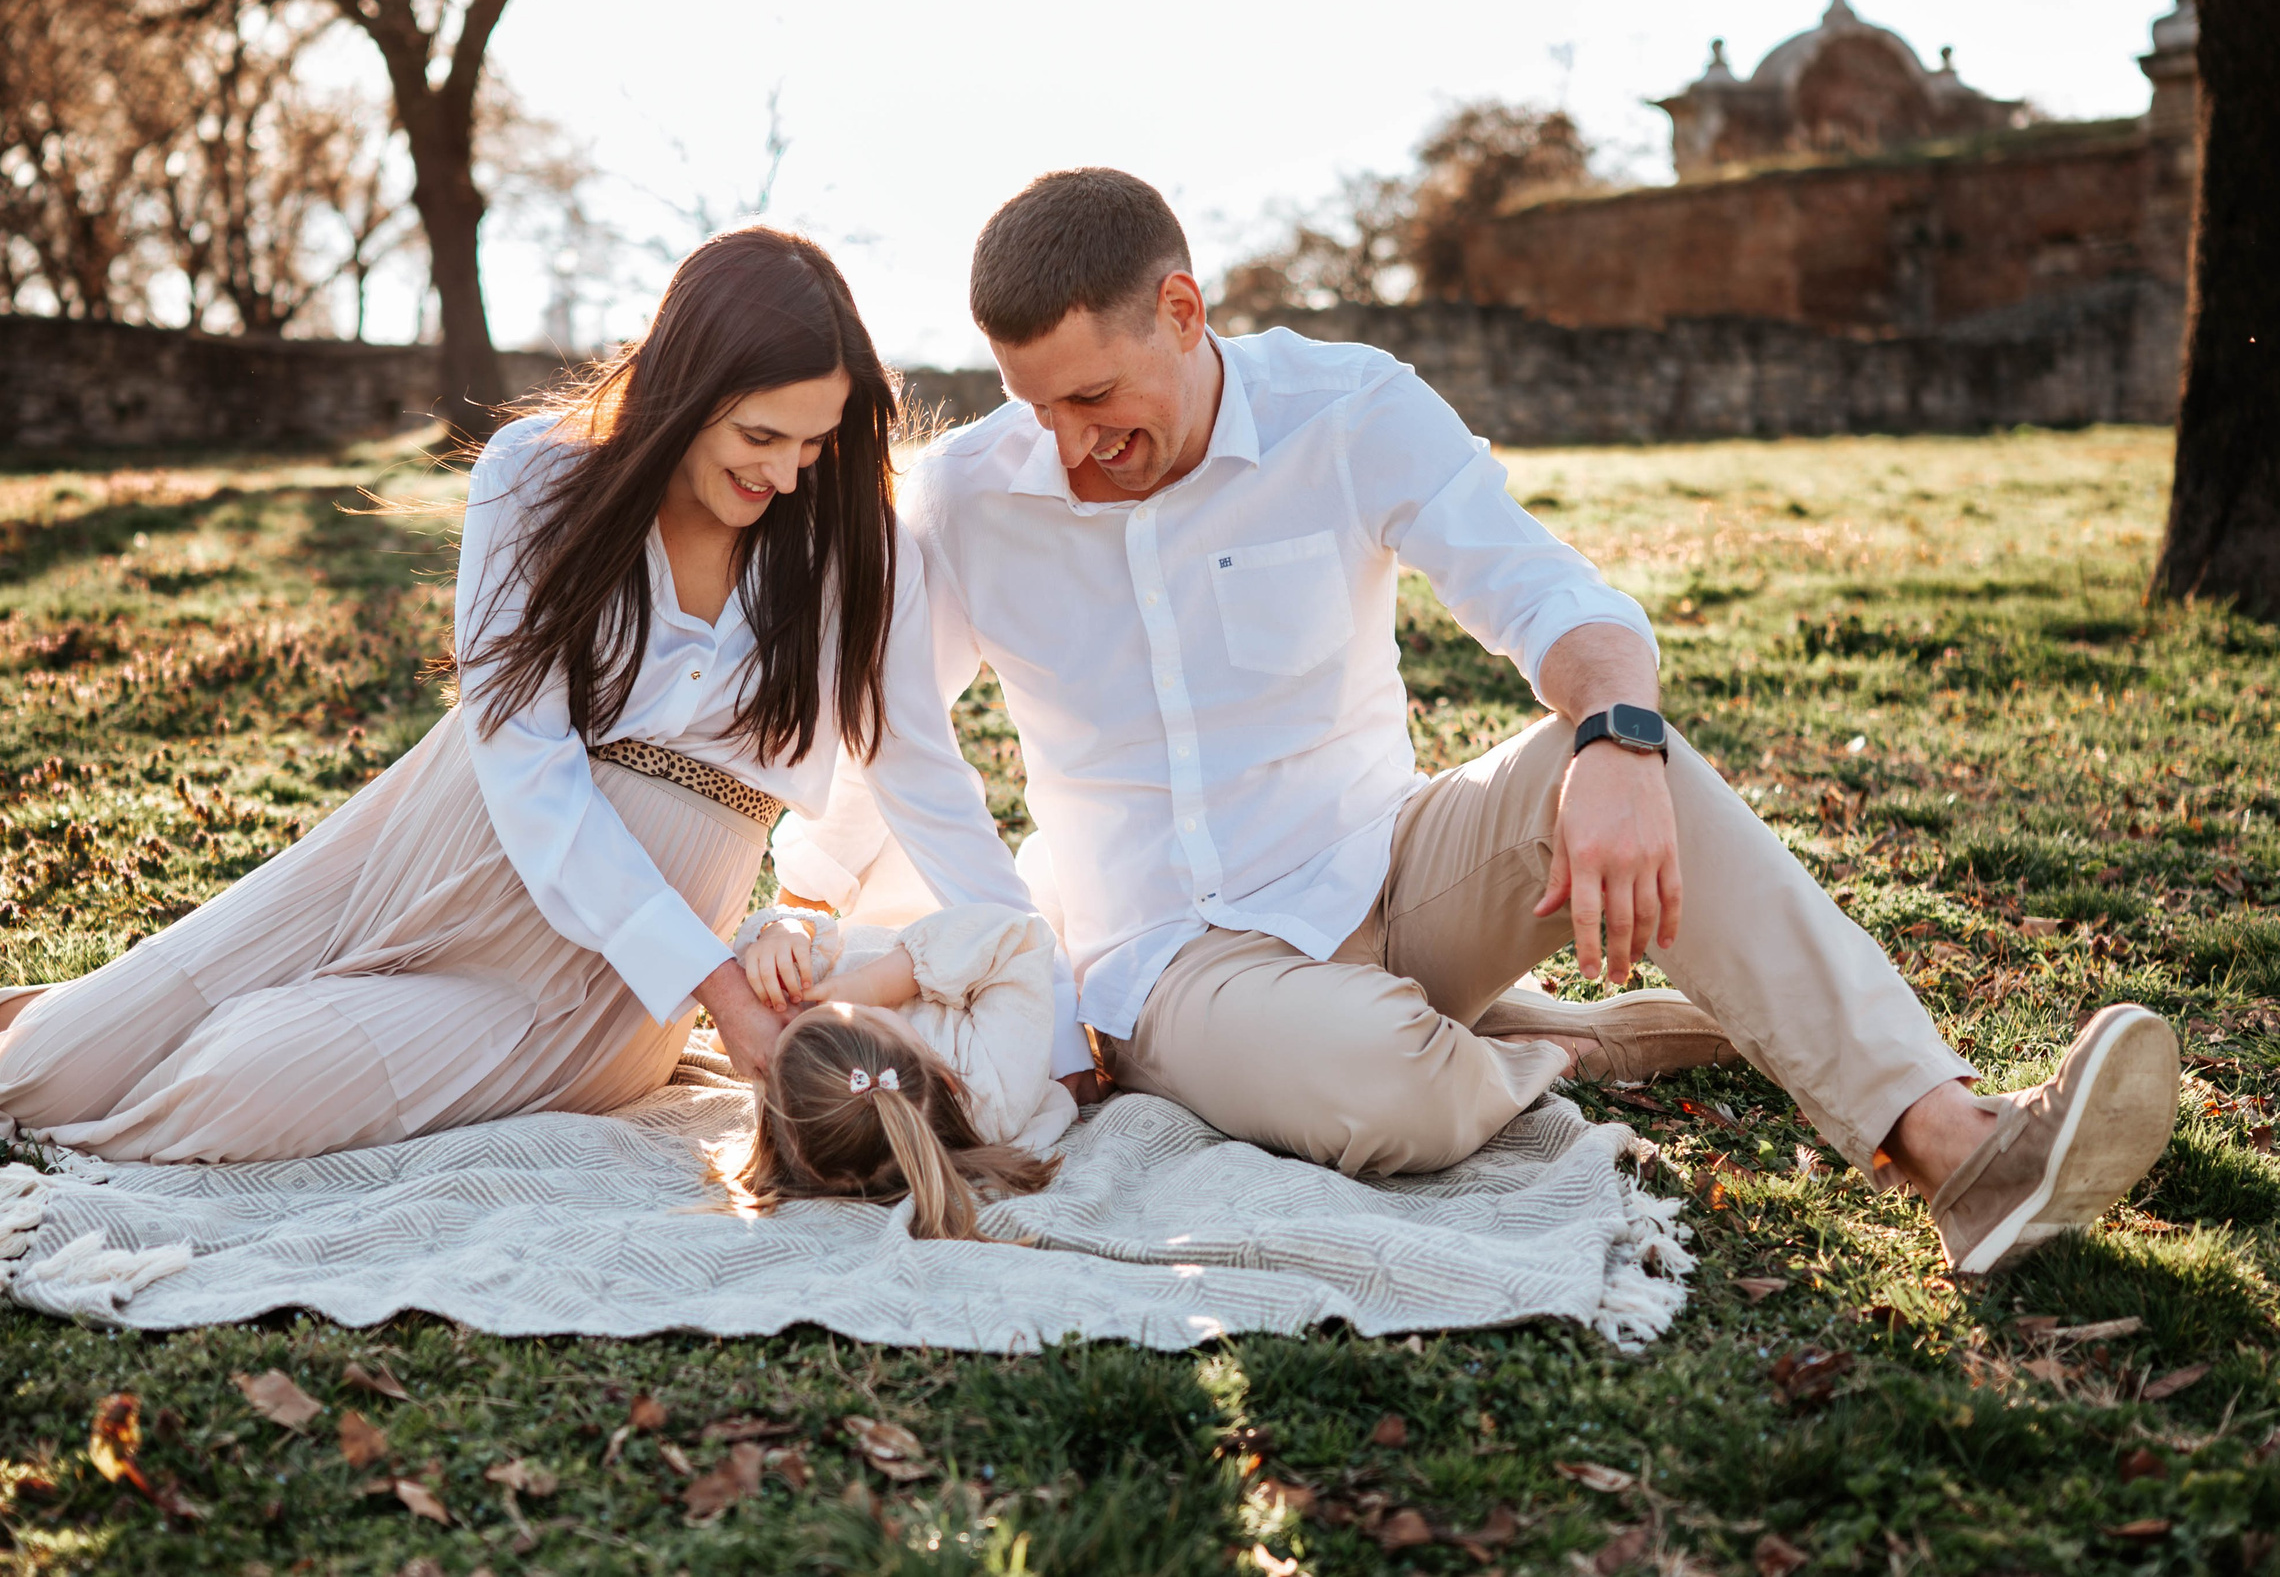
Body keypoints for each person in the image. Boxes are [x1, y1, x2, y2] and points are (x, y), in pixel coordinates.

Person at [771, 168, 2178, 1275]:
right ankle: (1578, 1035)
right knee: (1387, 1081)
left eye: (1095, 395)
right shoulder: (968, 495)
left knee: (1631, 758)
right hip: (1172, 957)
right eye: (1038, 408)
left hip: (1391, 860)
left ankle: (1959, 1147)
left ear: (1184, 312)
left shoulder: (1349, 407)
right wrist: (887, 927)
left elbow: (1554, 595)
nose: (1074, 446)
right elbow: (893, 738)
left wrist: (1619, 745)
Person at [0, 227, 1057, 1164]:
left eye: (815, 442)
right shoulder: (537, 478)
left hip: (601, 978)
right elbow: (523, 758)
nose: (787, 474)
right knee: (54, 1072)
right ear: (687, 391)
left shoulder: (844, 543)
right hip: (438, 842)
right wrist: (721, 992)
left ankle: (262, 1029)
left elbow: (921, 774)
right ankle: (84, 1016)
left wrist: (1041, 1008)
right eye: (758, 439)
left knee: (231, 1092)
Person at [716, 902, 1067, 1240]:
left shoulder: (798, 1090)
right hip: (928, 910)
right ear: (943, 1074)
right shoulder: (994, 1088)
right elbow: (1019, 938)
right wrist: (875, 985)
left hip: (866, 916)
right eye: (866, 1012)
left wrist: (783, 933)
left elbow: (749, 1011)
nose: (800, 1009)